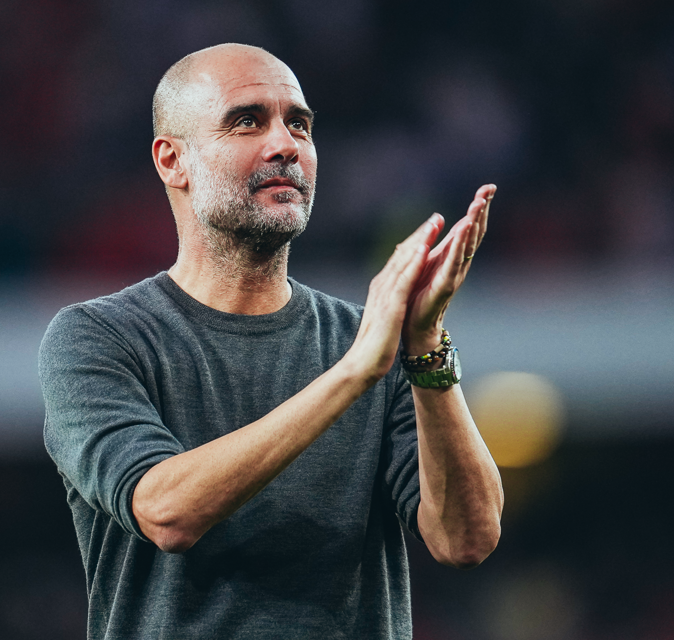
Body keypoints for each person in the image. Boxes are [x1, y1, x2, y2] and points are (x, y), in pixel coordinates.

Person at [39, 43, 503, 639]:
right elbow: (165, 510)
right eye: (247, 121)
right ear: (172, 160)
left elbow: (467, 538)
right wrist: (355, 372)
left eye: (300, 125)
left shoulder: (379, 347)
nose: (285, 145)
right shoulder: (99, 337)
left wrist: (425, 346)